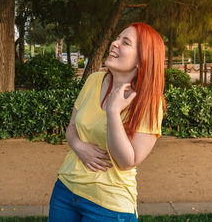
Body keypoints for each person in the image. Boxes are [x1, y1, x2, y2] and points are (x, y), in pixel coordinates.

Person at [48, 22, 166, 222]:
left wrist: (113, 111)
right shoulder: (94, 80)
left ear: (142, 59)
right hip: (66, 190)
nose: (114, 43)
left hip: (109, 204)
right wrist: (78, 146)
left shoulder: (150, 104)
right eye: (117, 38)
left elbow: (127, 161)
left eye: (125, 42)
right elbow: (71, 127)